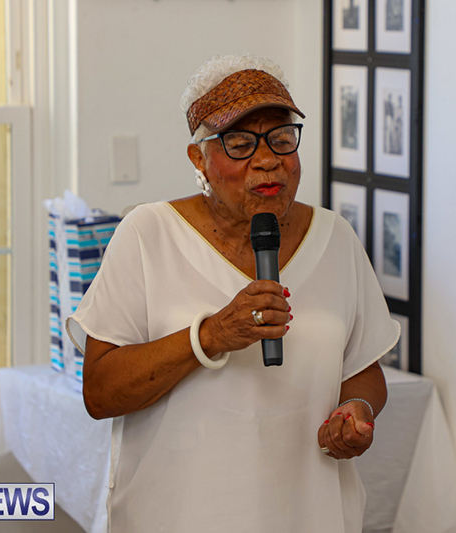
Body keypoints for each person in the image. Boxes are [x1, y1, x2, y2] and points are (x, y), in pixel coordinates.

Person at [67, 54, 400, 532]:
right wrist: (210, 335)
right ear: (198, 158)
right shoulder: (148, 234)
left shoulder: (336, 237)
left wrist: (356, 411)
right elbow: (100, 393)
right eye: (240, 143)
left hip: (310, 514)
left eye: (281, 138)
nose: (267, 160)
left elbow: (363, 369)